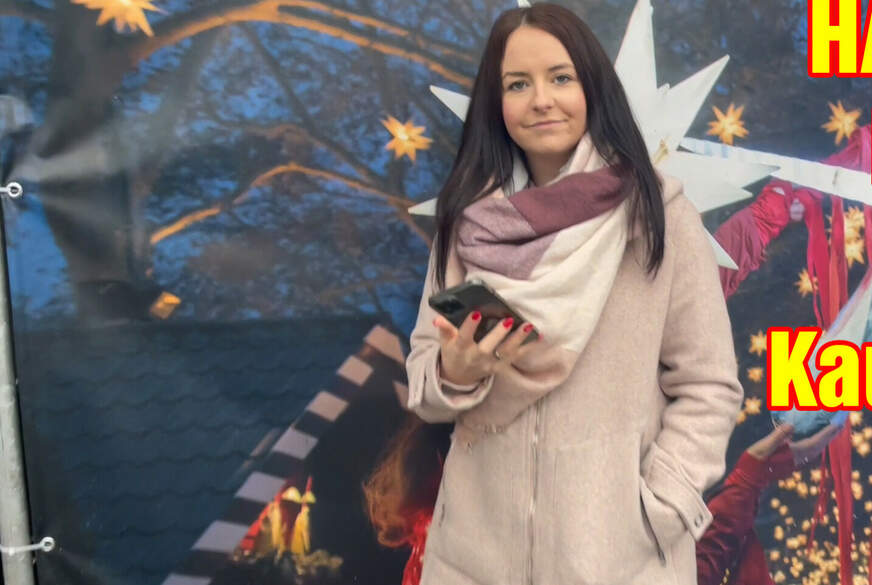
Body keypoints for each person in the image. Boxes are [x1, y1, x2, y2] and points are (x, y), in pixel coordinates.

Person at [399, 3, 743, 584]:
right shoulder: (467, 223)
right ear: (495, 102)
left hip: (621, 563)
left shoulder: (657, 215)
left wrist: (657, 508)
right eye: (518, 84)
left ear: (593, 88)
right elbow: (423, 384)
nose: (541, 100)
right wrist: (454, 373)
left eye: (561, 78)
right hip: (472, 563)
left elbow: (709, 385)